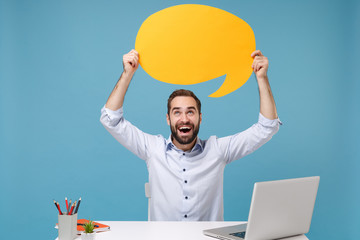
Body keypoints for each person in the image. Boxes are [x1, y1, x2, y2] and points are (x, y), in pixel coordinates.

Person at [100, 49, 281, 221]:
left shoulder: (217, 150)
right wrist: (127, 73)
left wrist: (262, 78)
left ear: (200, 118)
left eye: (190, 112)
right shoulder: (153, 149)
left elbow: (266, 128)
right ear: (168, 119)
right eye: (177, 112)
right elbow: (111, 120)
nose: (184, 119)